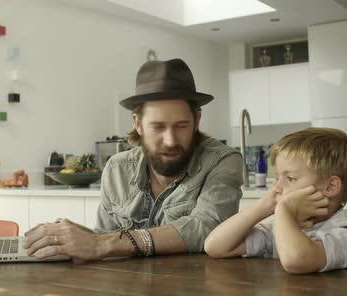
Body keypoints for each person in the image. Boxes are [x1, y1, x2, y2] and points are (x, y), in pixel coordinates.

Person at [24, 58, 243, 262]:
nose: (170, 140)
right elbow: (105, 241)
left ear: (197, 122)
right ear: (137, 124)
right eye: (158, 127)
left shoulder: (222, 160)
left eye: (181, 126)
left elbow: (205, 226)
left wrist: (102, 243)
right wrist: (76, 239)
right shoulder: (117, 168)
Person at [204, 128, 347, 274]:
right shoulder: (282, 225)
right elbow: (215, 246)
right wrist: (264, 206)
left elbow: (296, 259)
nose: (276, 187)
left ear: (331, 186)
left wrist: (284, 211)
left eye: (290, 178)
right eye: (278, 177)